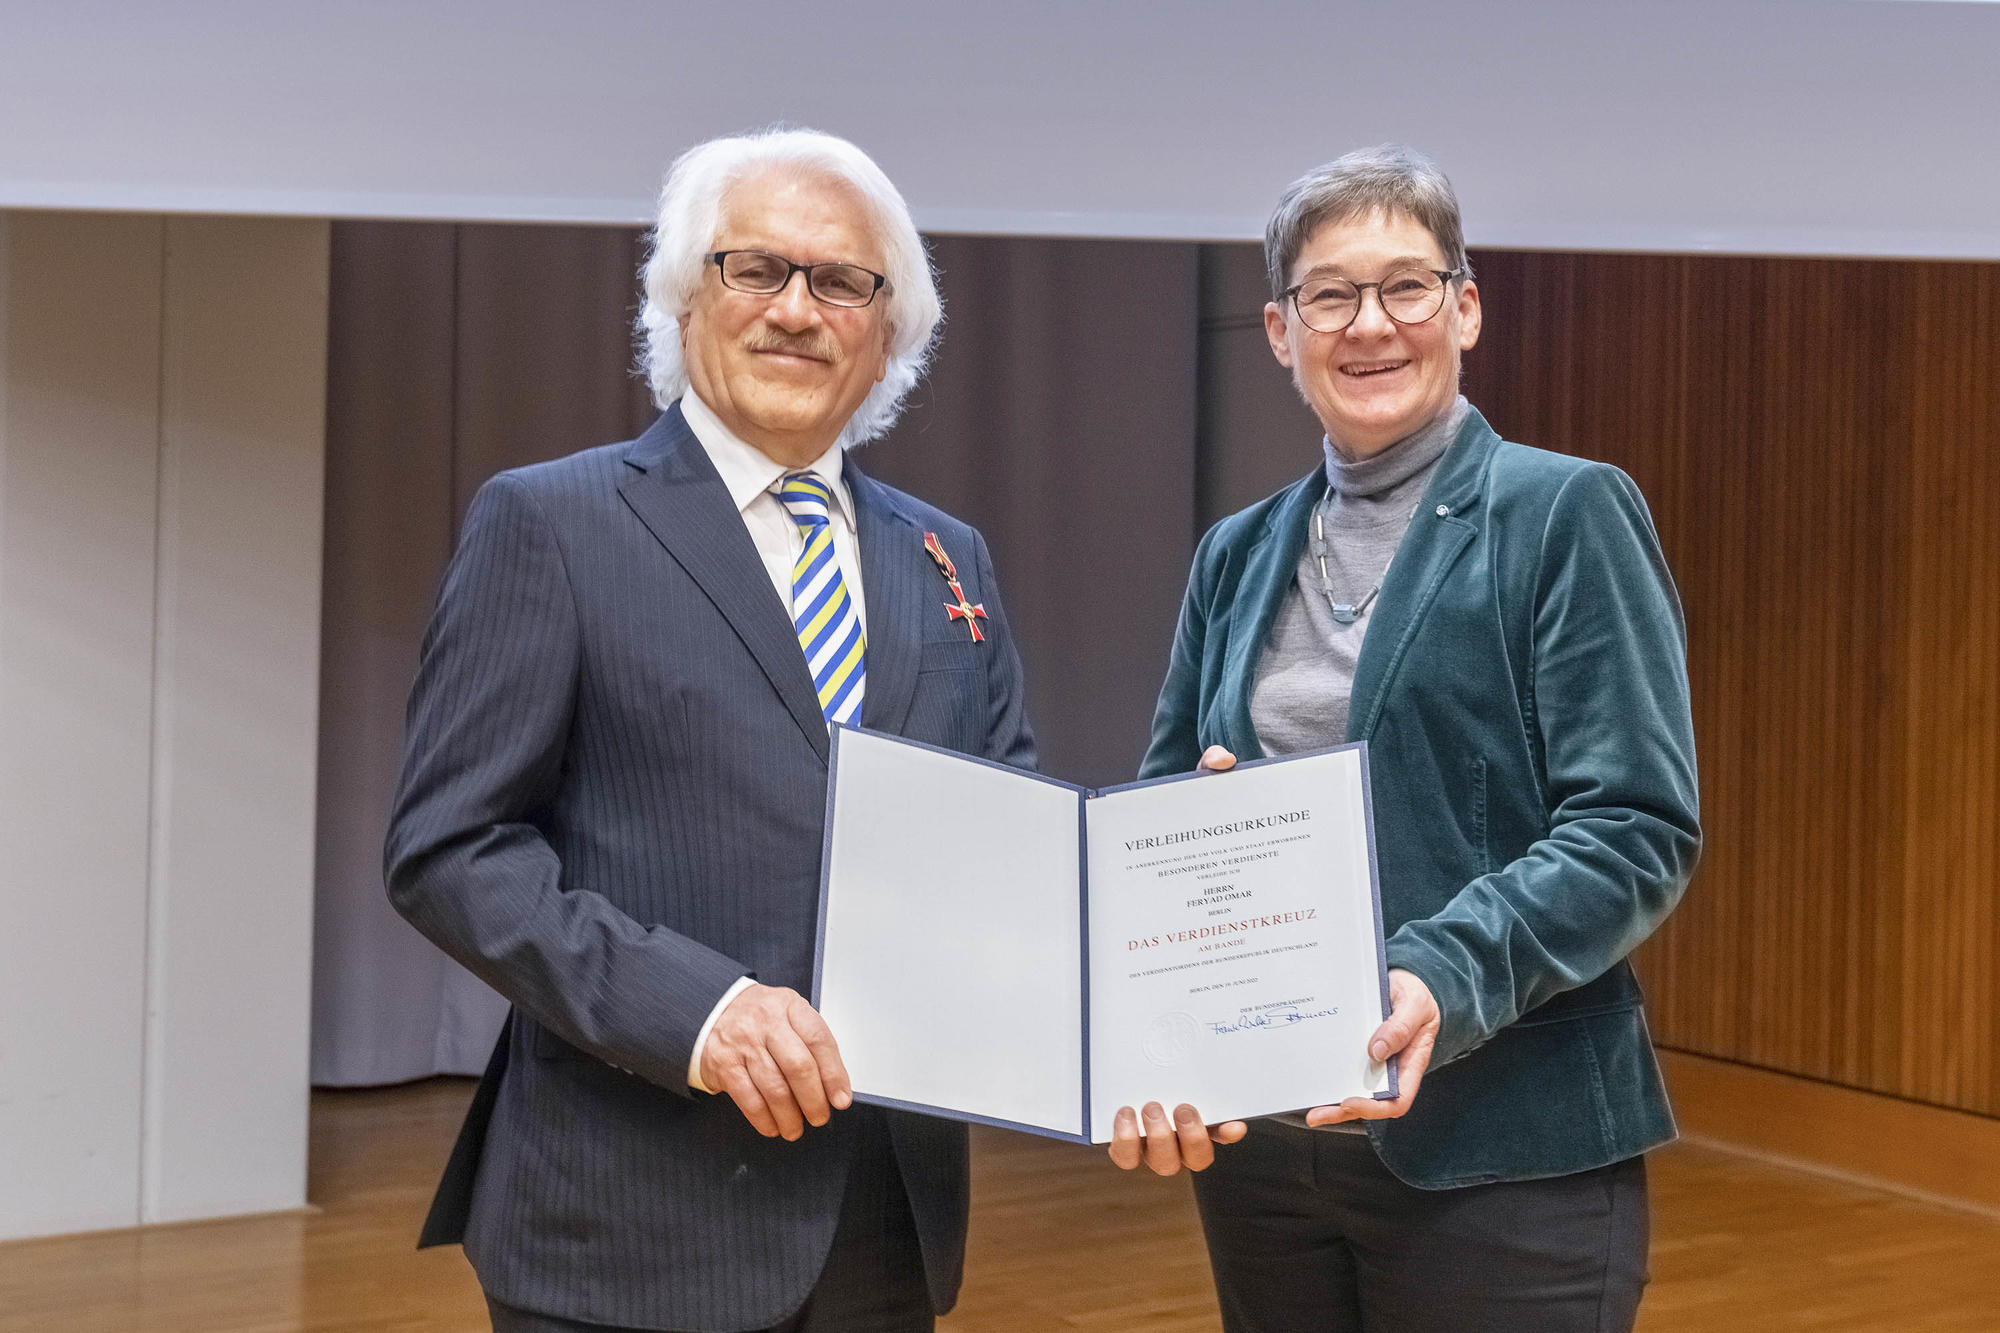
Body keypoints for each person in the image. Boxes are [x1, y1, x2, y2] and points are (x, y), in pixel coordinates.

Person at [385, 127, 1034, 1333]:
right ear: (683, 300)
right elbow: (450, 850)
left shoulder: (949, 556)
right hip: (627, 1226)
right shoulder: (552, 523)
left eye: (842, 281)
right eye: (756, 270)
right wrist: (699, 1009)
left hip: (879, 1220)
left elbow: (1006, 828)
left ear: (887, 334)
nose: (797, 310)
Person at [1108, 144, 1700, 1332]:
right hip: (1267, 1152)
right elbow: (1163, 797)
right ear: (1279, 331)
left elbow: (1635, 827)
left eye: (1406, 286)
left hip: (1500, 1144)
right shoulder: (1237, 551)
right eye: (1330, 294)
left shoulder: (1563, 512)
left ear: (1463, 307)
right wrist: (1192, 856)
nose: (1368, 324)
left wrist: (1442, 970)